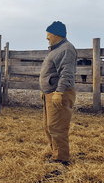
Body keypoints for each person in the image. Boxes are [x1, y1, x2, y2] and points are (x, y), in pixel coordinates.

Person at [39, 21, 77, 166]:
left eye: (48, 34)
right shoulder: (57, 49)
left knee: (57, 127)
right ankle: (56, 154)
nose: (47, 37)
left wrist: (59, 92)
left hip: (58, 94)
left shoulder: (66, 49)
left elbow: (67, 73)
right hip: (50, 93)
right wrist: (45, 91)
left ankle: (61, 160)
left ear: (56, 35)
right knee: (49, 126)